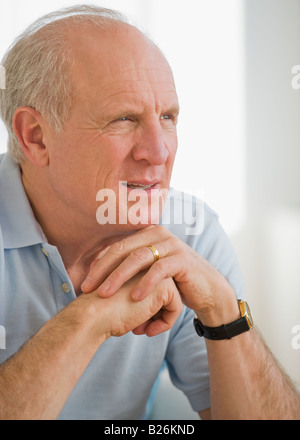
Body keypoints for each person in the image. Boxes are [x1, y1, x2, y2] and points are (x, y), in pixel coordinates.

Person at [0, 5, 299, 420]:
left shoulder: (189, 235)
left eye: (167, 117)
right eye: (123, 119)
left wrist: (223, 312)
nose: (159, 152)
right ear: (35, 137)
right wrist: (89, 319)